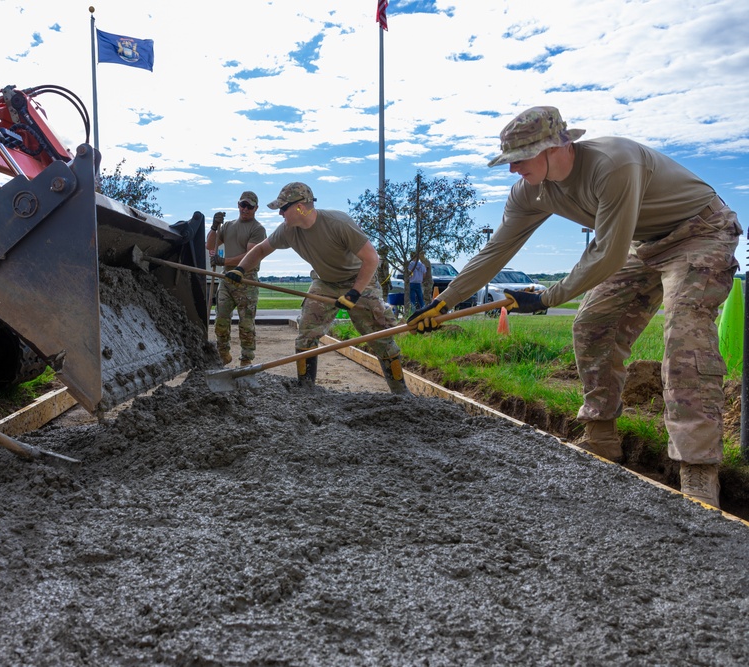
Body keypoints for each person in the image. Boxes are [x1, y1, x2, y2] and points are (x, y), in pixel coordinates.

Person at [406, 106, 741, 508]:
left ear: (556, 147)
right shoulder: (529, 190)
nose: (513, 169)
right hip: (645, 244)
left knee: (684, 340)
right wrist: (443, 301)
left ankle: (698, 470)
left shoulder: (614, 163)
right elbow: (497, 249)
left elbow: (607, 254)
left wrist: (547, 297)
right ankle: (601, 437)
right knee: (591, 325)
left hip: (700, 232)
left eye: (520, 158)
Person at [225, 182, 410, 394]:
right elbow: (260, 250)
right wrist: (239, 270)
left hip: (359, 279)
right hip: (324, 282)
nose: (280, 214)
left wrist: (355, 292)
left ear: (300, 206)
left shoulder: (337, 223)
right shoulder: (287, 231)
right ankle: (306, 392)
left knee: (380, 336)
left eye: (283, 208)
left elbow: (371, 258)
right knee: (306, 331)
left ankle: (402, 394)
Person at [206, 191, 266, 366]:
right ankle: (222, 354)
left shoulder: (257, 229)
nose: (245, 209)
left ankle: (246, 360)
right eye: (243, 205)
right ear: (238, 205)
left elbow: (251, 255)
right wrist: (214, 227)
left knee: (246, 324)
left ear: (256, 208)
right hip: (226, 279)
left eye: (249, 206)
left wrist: (225, 260)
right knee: (220, 320)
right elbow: (210, 244)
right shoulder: (228, 226)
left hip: (246, 280)